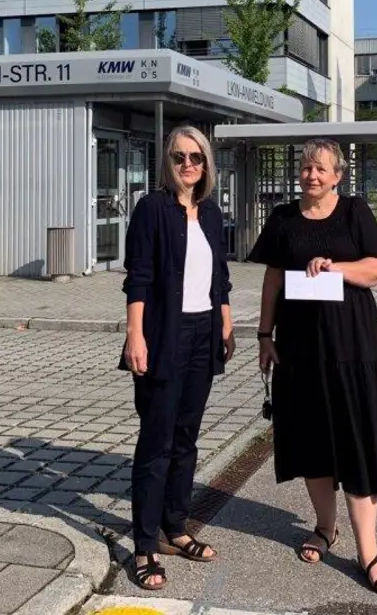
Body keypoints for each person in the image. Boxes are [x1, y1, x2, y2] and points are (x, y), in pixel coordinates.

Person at [248, 138, 377, 597]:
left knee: (356, 441)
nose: (310, 175)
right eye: (306, 168)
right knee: (312, 440)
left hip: (352, 348)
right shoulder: (283, 219)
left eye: (320, 169)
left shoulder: (354, 212)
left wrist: (336, 269)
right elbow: (274, 278)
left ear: (338, 176)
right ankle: (324, 527)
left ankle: (368, 552)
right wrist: (264, 335)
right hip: (299, 350)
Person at [118, 125, 236, 592]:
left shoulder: (210, 214)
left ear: (207, 165)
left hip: (203, 335)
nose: (189, 165)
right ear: (167, 162)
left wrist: (226, 323)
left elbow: (220, 276)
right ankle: (144, 543)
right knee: (157, 441)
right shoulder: (152, 209)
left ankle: (175, 527)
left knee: (186, 438)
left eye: (197, 158)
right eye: (180, 157)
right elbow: (139, 278)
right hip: (162, 337)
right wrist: (135, 337)